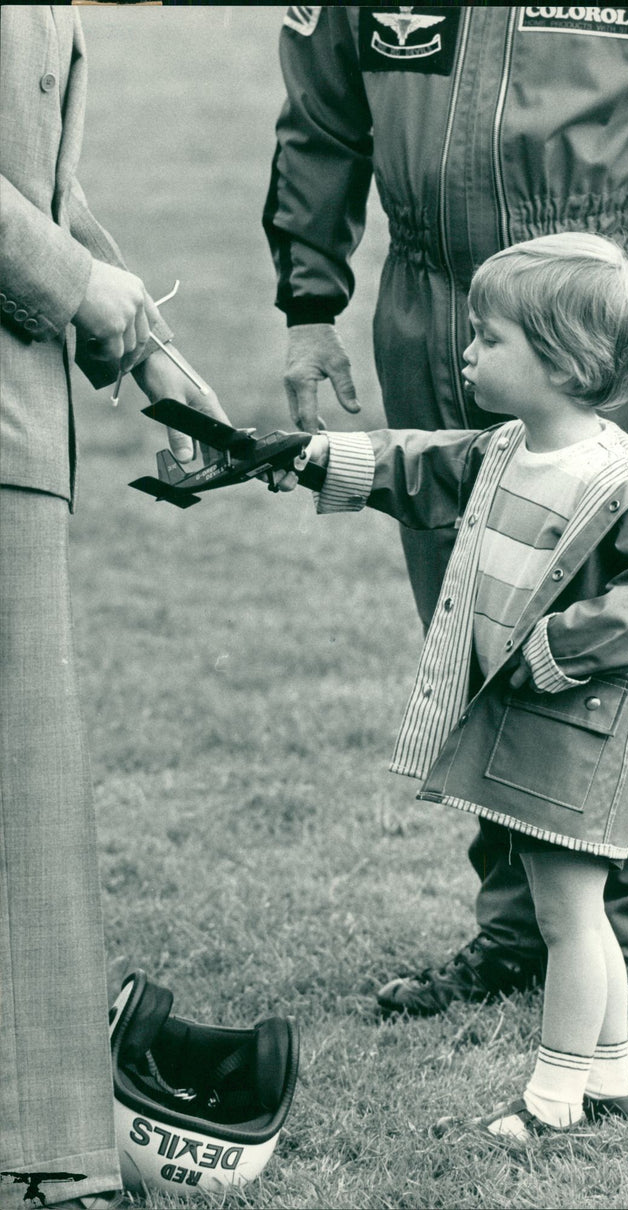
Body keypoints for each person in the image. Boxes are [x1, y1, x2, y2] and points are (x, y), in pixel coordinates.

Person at [264, 5, 628, 1018]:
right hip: (435, 313)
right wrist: (308, 305)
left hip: (598, 314)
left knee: (613, 645)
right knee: (475, 624)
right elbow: (319, 119)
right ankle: (517, 926)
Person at [274, 233, 628, 1141]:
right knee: (577, 909)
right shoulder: (509, 449)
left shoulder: (621, 478)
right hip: (535, 722)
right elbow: (418, 465)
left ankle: (553, 1100)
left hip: (576, 730)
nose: (466, 353)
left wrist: (558, 647)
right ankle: (608, 1078)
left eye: (489, 339)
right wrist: (312, 457)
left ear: (566, 360)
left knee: (566, 916)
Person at [0, 8, 230, 1208]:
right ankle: (47, 1152)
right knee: (22, 787)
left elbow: (38, 178)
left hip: (25, 409)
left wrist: (147, 350)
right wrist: (79, 285)